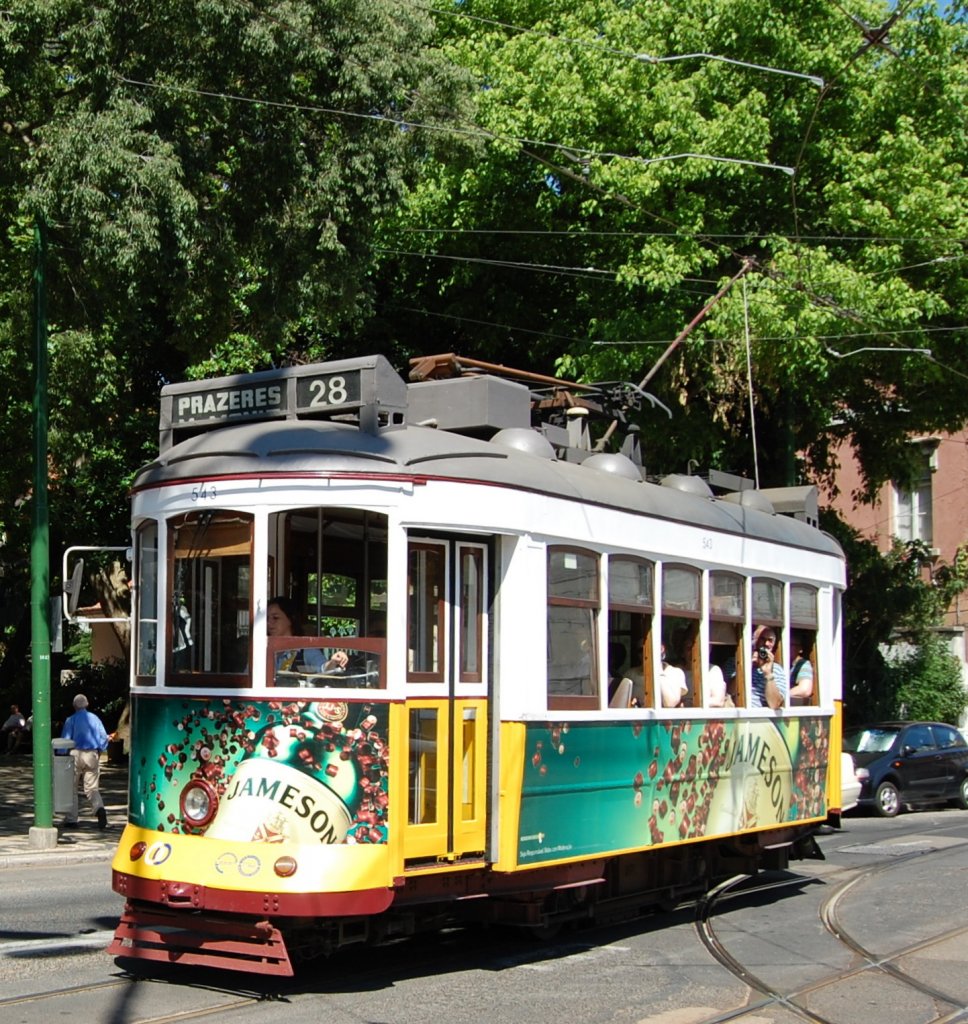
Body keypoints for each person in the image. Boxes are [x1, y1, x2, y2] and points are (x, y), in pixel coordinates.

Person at [61, 694, 110, 829]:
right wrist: (99, 750)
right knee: (92, 787)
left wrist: (62, 754)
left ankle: (71, 819)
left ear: (74, 706)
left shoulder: (71, 720)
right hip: (92, 754)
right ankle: (99, 808)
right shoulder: (95, 719)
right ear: (87, 704)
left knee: (72, 788)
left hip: (75, 754)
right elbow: (103, 737)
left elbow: (65, 740)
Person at [267, 596, 348, 674]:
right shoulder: (264, 650)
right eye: (267, 618)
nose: (269, 623)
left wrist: (333, 662)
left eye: (275, 618)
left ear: (290, 619)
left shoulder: (305, 650)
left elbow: (323, 668)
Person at [751, 626, 787, 709]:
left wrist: (768, 673)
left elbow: (775, 704)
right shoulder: (738, 663)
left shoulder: (776, 669)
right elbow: (730, 691)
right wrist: (748, 666)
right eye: (762, 639)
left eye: (770, 640)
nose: (766, 644)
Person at [658, 643, 687, 708]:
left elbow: (670, 703)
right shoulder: (634, 674)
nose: (644, 652)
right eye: (640, 650)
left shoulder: (676, 673)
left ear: (662, 649)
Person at [789, 633, 815, 706]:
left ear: (800, 649)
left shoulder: (803, 664)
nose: (787, 647)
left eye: (791, 645)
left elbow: (805, 689)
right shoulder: (788, 665)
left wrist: (782, 695)